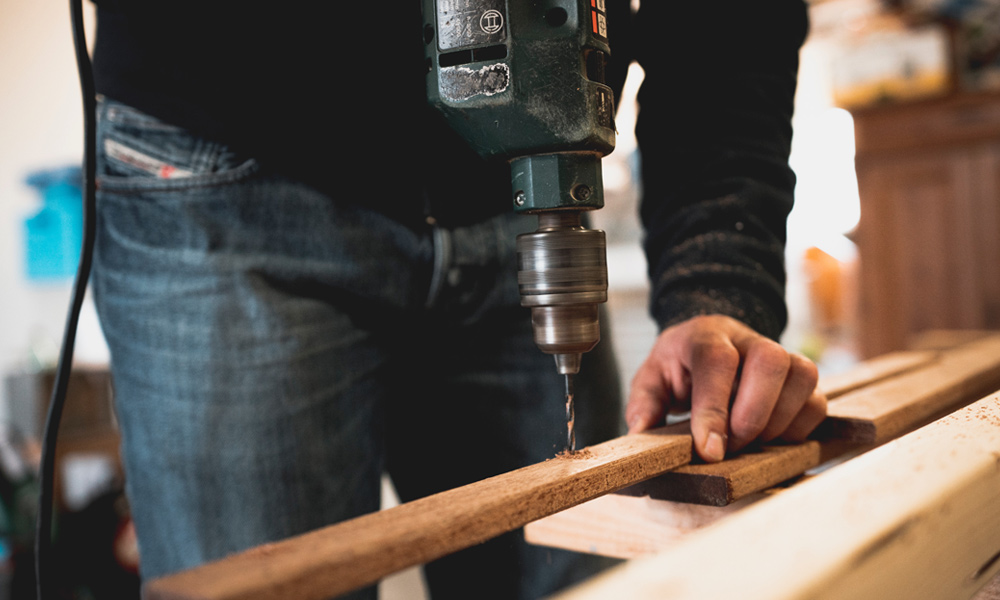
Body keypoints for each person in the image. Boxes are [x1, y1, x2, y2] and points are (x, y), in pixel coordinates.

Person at [88, 1, 826, 598]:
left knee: (585, 573)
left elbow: (733, 21)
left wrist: (716, 279)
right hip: (221, 160)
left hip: (505, 191)